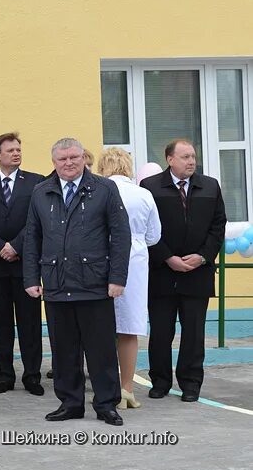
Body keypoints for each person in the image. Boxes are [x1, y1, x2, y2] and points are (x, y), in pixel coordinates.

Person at [23, 138, 130, 426]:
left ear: (83, 157)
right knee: (63, 350)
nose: (68, 163)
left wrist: (117, 277)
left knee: (101, 350)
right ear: (54, 162)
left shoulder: (104, 188)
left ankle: (106, 404)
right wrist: (31, 277)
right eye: (62, 159)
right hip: (56, 283)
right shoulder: (41, 192)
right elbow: (32, 237)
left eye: (74, 157)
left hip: (94, 283)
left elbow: (121, 235)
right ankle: (70, 403)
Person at [140, 139, 226, 402]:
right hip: (162, 273)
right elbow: (146, 229)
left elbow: (218, 224)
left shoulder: (209, 185)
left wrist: (202, 256)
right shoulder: (151, 187)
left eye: (193, 156)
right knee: (161, 332)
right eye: (185, 156)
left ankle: (191, 383)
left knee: (194, 332)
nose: (191, 161)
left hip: (197, 272)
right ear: (170, 159)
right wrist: (168, 258)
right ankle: (160, 381)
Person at [0, 132, 45, 396]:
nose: (16, 153)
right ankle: (5, 374)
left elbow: (36, 220)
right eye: (10, 150)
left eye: (18, 149)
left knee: (30, 322)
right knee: (1, 321)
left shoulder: (36, 183)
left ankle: (32, 375)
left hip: (25, 264)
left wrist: (16, 245)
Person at [96, 148, 161, 409]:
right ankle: (127, 388)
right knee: (129, 329)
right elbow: (154, 235)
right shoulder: (143, 194)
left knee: (100, 327)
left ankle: (104, 387)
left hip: (102, 258)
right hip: (135, 261)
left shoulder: (98, 191)